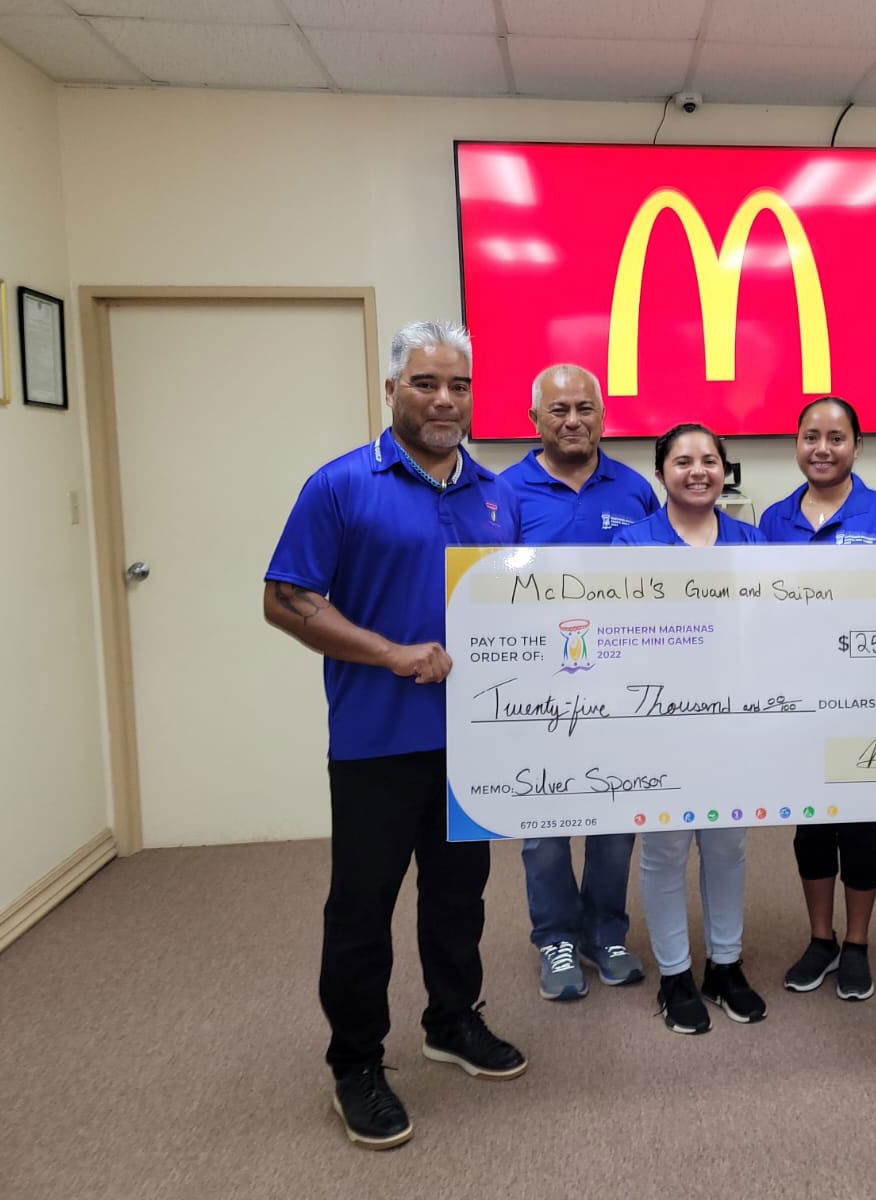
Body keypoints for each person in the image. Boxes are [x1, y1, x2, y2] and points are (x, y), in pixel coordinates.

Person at [263, 320, 527, 1150]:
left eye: (458, 386)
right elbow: (284, 597)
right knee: (362, 910)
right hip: (378, 740)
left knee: (459, 898)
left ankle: (452, 1022)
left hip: (474, 743)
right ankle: (356, 1065)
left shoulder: (498, 493)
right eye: (424, 384)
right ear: (391, 391)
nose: (443, 400)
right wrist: (388, 654)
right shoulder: (341, 486)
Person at [499, 364, 659, 1001]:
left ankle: (605, 930)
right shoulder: (503, 492)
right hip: (538, 689)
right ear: (533, 419)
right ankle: (556, 937)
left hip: (620, 688)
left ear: (603, 415)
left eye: (585, 408)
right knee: (544, 823)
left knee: (615, 816)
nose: (573, 420)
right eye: (559, 409)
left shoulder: (637, 490)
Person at [612, 423, 768, 1033]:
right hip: (661, 722)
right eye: (683, 461)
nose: (697, 470)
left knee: (728, 845)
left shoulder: (754, 543)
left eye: (709, 459)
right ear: (661, 473)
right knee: (666, 847)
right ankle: (675, 974)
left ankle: (724, 966)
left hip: (736, 717)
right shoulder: (631, 545)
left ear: (724, 469)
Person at [758, 397, 876, 1002]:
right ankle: (820, 939)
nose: (823, 448)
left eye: (837, 437)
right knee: (812, 826)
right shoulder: (773, 521)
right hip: (797, 699)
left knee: (858, 824)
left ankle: (858, 944)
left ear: (857, 446)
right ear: (796, 443)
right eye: (811, 436)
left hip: (865, 698)